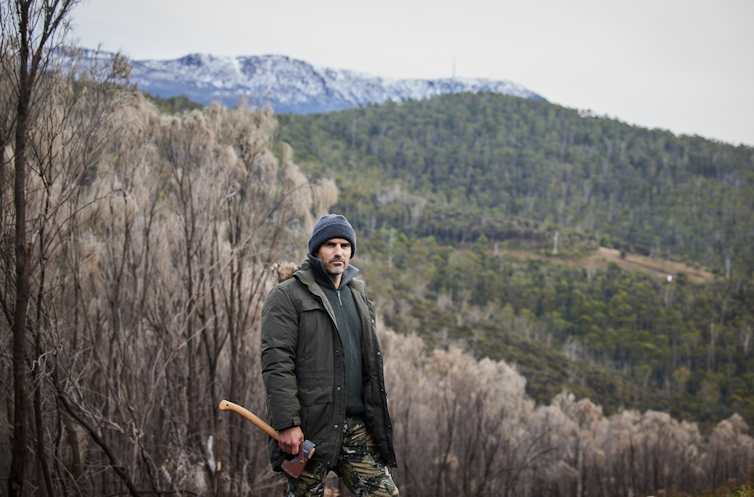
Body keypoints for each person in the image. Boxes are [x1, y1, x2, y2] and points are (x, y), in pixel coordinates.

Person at [261, 214, 399, 497]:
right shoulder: (288, 295)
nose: (339, 252)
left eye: (345, 245)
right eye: (331, 244)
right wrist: (287, 424)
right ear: (315, 250)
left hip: (357, 431)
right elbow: (277, 363)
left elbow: (370, 366)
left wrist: (375, 421)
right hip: (310, 432)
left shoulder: (358, 296)